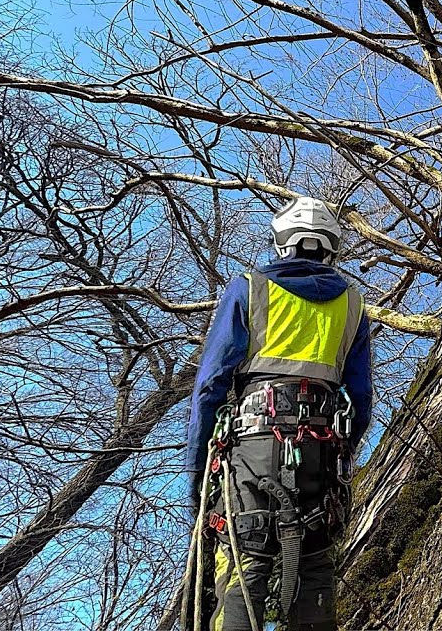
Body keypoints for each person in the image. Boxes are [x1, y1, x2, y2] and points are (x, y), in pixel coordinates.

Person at [184, 197, 372, 631]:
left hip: (253, 447)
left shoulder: (250, 287)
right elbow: (360, 397)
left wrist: (197, 467)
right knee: (315, 566)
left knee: (244, 564)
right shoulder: (353, 305)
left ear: (282, 242)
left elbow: (212, 383)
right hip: (322, 456)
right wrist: (344, 454)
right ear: (332, 247)